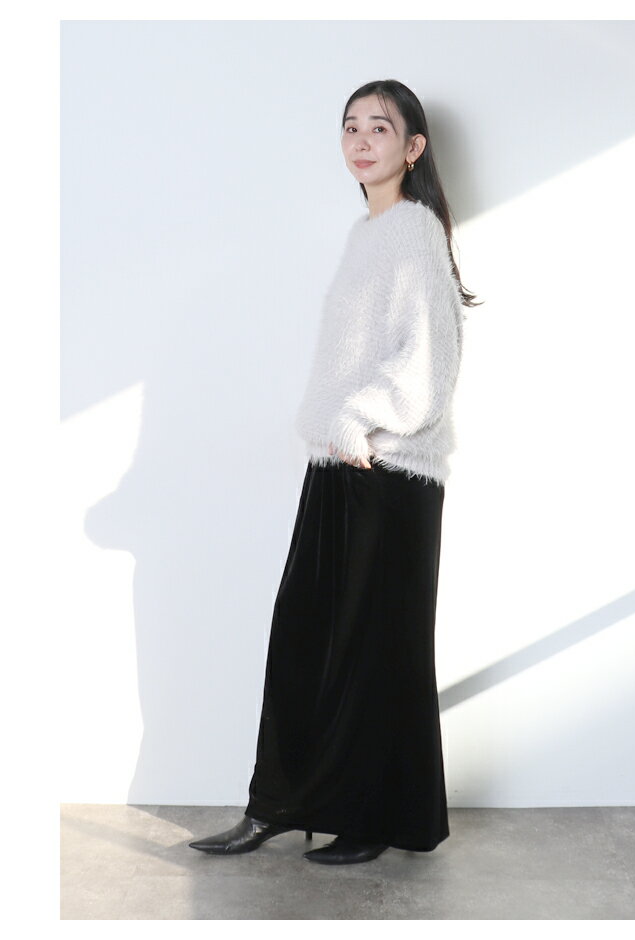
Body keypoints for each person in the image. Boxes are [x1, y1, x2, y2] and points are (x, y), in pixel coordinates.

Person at [189, 79, 480, 866]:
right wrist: (332, 428)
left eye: (379, 128)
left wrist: (357, 418)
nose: (360, 140)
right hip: (343, 466)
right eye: (350, 126)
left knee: (373, 654)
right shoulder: (370, 232)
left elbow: (430, 360)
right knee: (306, 640)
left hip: (388, 470)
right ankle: (279, 806)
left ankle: (370, 817)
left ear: (413, 148)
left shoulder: (413, 230)